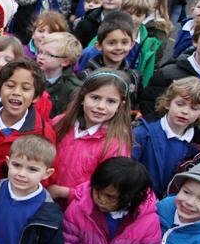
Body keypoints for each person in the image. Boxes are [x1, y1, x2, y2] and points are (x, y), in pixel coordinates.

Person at [49, 71, 135, 202]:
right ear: (83, 97)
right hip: (44, 199)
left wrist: (66, 192)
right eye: (95, 98)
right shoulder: (59, 124)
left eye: (111, 101)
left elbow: (108, 183)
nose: (101, 106)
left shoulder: (116, 143)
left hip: (80, 209)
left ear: (120, 106)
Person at [0, 60, 57, 184]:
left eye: (25, 88)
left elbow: (47, 175)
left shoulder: (42, 133)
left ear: (36, 97)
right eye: (10, 86)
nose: (16, 92)